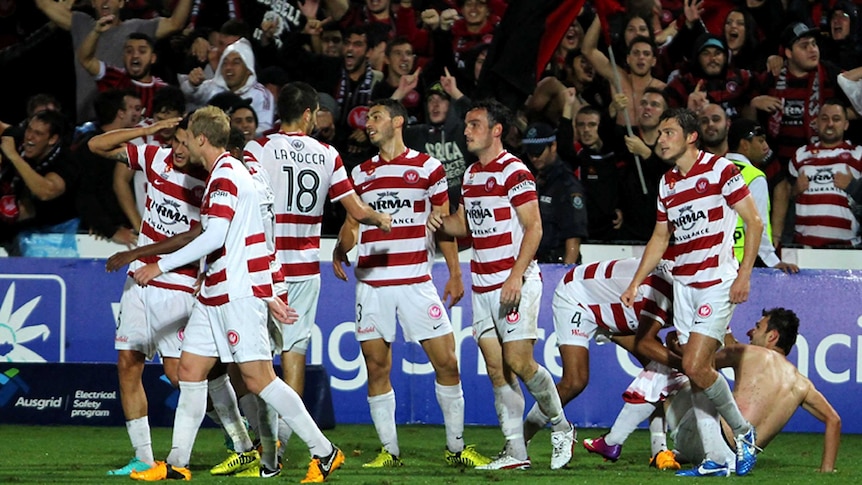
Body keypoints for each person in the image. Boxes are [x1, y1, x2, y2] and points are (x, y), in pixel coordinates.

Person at [127, 106, 344, 483]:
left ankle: (324, 452)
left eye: (188, 136)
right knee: (190, 372)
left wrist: (159, 265)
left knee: (259, 379)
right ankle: (177, 463)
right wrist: (272, 288)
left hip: (237, 294)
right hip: (216, 292)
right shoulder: (229, 175)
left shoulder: (227, 176)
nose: (183, 144)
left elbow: (213, 236)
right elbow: (259, 238)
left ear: (201, 138)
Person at [332, 98, 489, 469]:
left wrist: (454, 273)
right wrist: (341, 248)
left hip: (417, 282)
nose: (368, 123)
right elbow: (351, 225)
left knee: (447, 362)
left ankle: (456, 447)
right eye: (368, 117)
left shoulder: (429, 169)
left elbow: (443, 224)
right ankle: (389, 451)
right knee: (377, 367)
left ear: (397, 121)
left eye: (376, 116)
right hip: (371, 284)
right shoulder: (360, 173)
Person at [243, 81, 392, 454]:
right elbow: (356, 211)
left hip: (263, 267)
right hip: (306, 268)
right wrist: (380, 218)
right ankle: (284, 442)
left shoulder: (257, 149)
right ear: (308, 114)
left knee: (252, 356)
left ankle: (259, 438)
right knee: (294, 354)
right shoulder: (327, 154)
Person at [427, 99, 574, 471]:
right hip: (483, 284)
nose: (466, 130)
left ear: (496, 130)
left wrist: (515, 275)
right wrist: (437, 222)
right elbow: (465, 226)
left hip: (515, 282)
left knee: (519, 362)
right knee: (497, 370)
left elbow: (534, 227)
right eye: (466, 125)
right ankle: (515, 452)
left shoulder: (515, 172)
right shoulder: (473, 176)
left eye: (474, 124)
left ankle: (561, 427)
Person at [620, 107, 763, 477]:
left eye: (668, 132)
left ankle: (745, 433)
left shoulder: (721, 171)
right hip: (682, 287)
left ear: (691, 136)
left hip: (716, 281)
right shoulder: (668, 183)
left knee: (693, 365)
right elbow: (660, 236)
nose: (660, 139)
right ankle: (716, 457)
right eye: (660, 133)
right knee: (699, 372)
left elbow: (754, 221)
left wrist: (744, 274)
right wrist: (637, 281)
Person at [89, 115, 207, 477]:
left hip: (178, 282)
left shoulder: (208, 178)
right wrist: (147, 132)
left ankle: (239, 434)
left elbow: (195, 235)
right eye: (176, 141)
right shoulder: (156, 157)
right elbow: (97, 145)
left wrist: (139, 251)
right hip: (140, 282)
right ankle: (143, 456)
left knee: (181, 375)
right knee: (128, 362)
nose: (179, 149)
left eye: (186, 142)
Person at [522, 257, 682, 470]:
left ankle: (658, 451)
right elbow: (645, 343)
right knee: (575, 381)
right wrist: (686, 364)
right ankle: (520, 441)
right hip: (578, 297)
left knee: (658, 369)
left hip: (618, 305)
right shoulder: (661, 292)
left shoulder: (686, 290)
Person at [668, 308, 841, 473]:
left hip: (705, 438)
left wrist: (674, 346)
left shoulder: (748, 353)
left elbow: (697, 365)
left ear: (772, 336)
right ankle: (691, 454)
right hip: (737, 460)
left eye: (758, 327)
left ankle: (662, 447)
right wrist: (827, 468)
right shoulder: (802, 384)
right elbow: (834, 420)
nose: (750, 332)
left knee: (676, 381)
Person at [34, 0, 192, 124]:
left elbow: (175, 23)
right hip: (87, 122)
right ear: (92, 2)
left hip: (124, 124)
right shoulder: (81, 23)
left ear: (121, 3)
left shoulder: (137, 28)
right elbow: (44, 4)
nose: (105, 2)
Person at [0, 109, 79, 254]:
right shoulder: (20, 137)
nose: (29, 137)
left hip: (58, 233)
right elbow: (5, 128)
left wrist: (13, 156)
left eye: (38, 134)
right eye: (29, 129)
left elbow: (46, 192)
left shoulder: (66, 162)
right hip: (19, 227)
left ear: (52, 139)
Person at [725, 118, 799, 271]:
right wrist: (772, 260)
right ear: (745, 144)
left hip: (713, 261)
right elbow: (757, 224)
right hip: (741, 262)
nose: (766, 147)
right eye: (760, 141)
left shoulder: (713, 171)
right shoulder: (754, 176)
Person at [788, 99, 862, 247]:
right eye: (824, 119)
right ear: (816, 122)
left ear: (846, 124)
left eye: (836, 119)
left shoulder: (859, 153)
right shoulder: (800, 154)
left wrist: (854, 186)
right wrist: (795, 190)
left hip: (846, 247)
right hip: (804, 247)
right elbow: (783, 198)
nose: (830, 124)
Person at [75, 89, 144, 246]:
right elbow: (85, 195)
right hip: (105, 237)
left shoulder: (130, 144)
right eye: (131, 109)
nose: (136, 114)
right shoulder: (91, 148)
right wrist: (108, 229)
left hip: (120, 228)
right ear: (120, 113)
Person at [581, 15, 665, 128]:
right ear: (628, 59)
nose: (641, 57)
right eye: (636, 53)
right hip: (619, 140)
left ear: (653, 61)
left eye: (646, 54)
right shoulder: (618, 77)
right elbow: (588, 50)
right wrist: (599, 16)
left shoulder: (662, 89)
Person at [521, 121, 587, 264]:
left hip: (558, 261)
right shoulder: (532, 178)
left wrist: (565, 273)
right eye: (530, 153)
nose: (534, 158)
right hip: (536, 262)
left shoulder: (567, 184)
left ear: (553, 146)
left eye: (538, 152)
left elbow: (574, 236)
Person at [179, 37, 275, 135]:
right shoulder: (214, 86)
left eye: (236, 63)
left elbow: (264, 129)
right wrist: (192, 84)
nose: (229, 67)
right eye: (225, 63)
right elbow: (188, 93)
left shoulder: (261, 95)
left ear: (248, 70)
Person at [78, 20, 168, 117]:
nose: (135, 55)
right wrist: (95, 32)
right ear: (123, 56)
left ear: (153, 58)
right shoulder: (113, 77)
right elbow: (86, 59)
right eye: (129, 51)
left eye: (142, 51)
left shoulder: (163, 90)